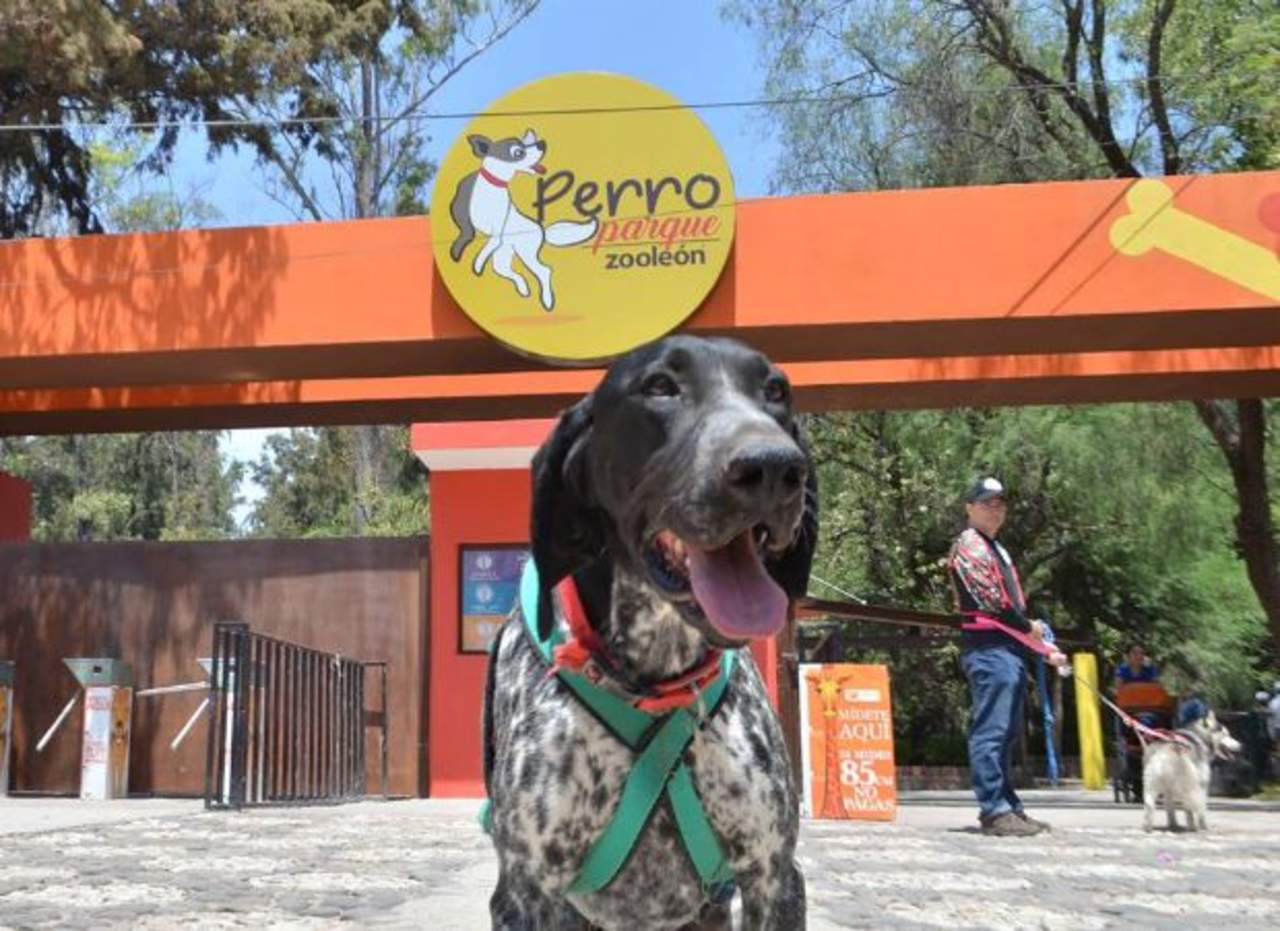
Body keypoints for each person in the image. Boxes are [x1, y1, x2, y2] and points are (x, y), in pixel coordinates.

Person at [948, 476, 1051, 837]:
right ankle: (994, 809)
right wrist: (1029, 627)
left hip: (1006, 647)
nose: (995, 509)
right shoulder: (971, 544)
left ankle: (1009, 805)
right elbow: (991, 601)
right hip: (989, 646)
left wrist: (1027, 630)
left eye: (1000, 503)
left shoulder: (994, 547)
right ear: (970, 508)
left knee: (1006, 732)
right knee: (991, 730)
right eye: (987, 502)